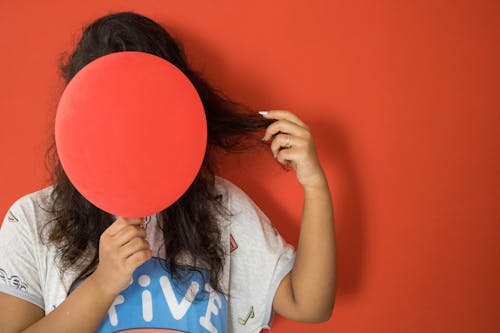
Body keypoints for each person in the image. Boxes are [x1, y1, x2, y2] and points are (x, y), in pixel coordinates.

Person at [0, 11, 336, 333]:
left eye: (148, 107)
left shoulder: (218, 207)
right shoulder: (33, 221)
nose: (130, 129)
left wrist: (316, 185)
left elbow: (308, 305)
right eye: (111, 110)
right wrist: (101, 285)